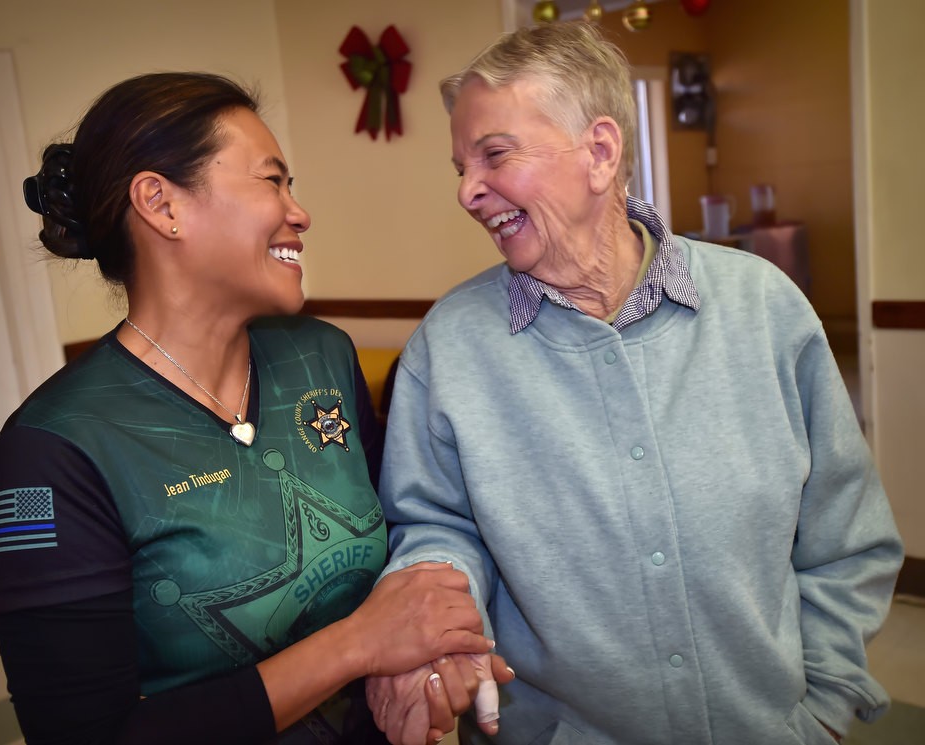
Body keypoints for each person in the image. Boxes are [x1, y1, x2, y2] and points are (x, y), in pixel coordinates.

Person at [367, 20, 904, 745]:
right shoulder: (449, 348)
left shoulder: (764, 307)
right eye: (460, 166)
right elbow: (435, 528)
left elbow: (847, 537)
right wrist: (437, 615)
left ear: (600, 152)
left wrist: (823, 709)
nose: (468, 191)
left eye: (493, 155)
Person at [0, 71, 499, 745]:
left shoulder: (320, 358)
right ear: (161, 203)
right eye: (271, 180)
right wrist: (357, 645)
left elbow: (399, 540)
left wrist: (428, 662)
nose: (299, 211)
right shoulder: (53, 450)